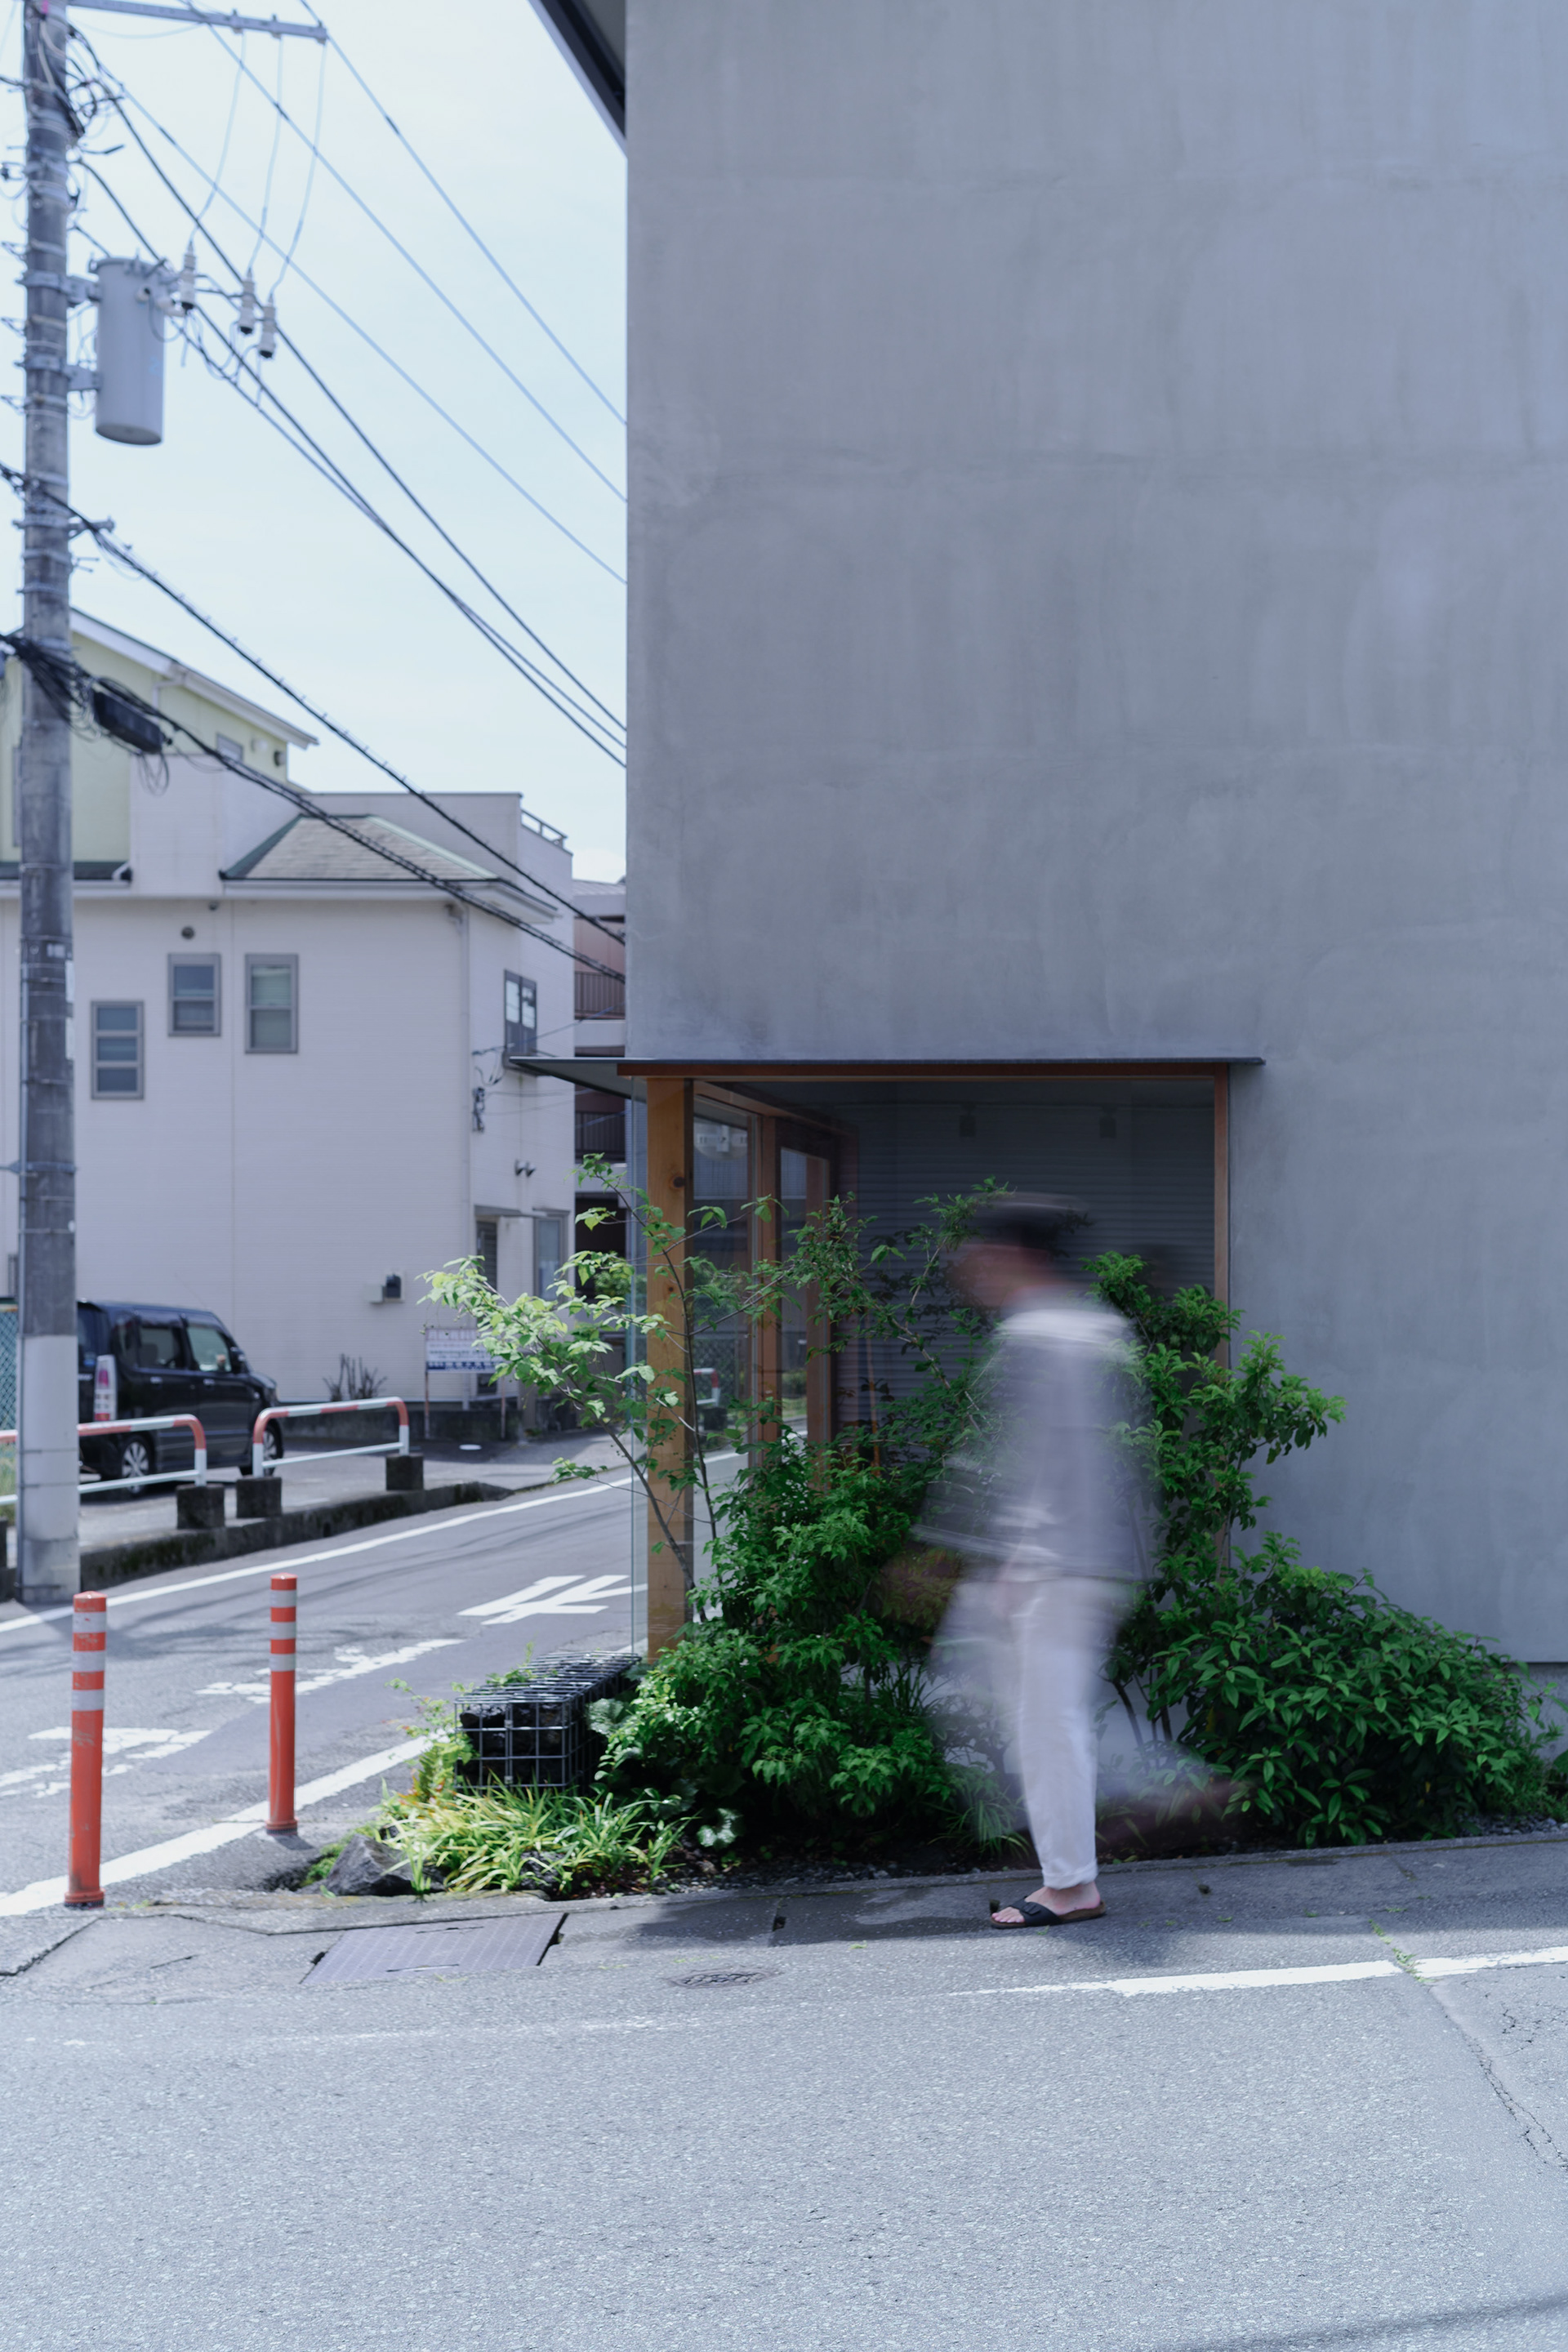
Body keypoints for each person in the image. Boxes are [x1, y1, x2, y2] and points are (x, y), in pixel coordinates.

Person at [927, 1196, 1148, 1928]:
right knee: (1042, 1715)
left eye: (980, 1256)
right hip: (1088, 1557)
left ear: (1013, 1256)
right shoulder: (1093, 1328)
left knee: (1045, 1722)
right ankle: (1086, 1854)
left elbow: (1036, 1461)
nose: (972, 1271)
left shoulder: (1036, 1336)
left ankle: (1073, 1882)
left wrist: (1019, 1559)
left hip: (1054, 1563)